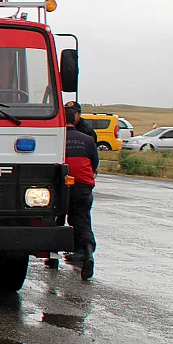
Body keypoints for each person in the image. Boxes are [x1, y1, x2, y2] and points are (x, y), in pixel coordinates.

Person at [64, 102, 98, 280]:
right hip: (83, 187)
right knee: (82, 220)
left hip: (61, 186)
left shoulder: (57, 138)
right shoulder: (88, 139)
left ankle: (51, 257)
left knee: (55, 219)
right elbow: (95, 163)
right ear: (76, 116)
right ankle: (87, 252)